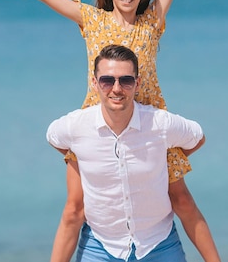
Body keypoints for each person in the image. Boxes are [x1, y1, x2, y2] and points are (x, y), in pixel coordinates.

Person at [0, 0, 223, 262]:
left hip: (149, 123)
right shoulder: (91, 19)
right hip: (96, 121)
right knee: (74, 208)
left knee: (181, 200)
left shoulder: (152, 21)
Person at [47, 44, 206, 262]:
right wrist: (82, 159)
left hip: (159, 243)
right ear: (94, 83)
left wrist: (162, 161)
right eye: (107, 80)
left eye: (126, 80)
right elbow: (53, 137)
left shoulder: (160, 124)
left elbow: (197, 137)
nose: (116, 88)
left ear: (137, 83)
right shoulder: (75, 127)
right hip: (99, 246)